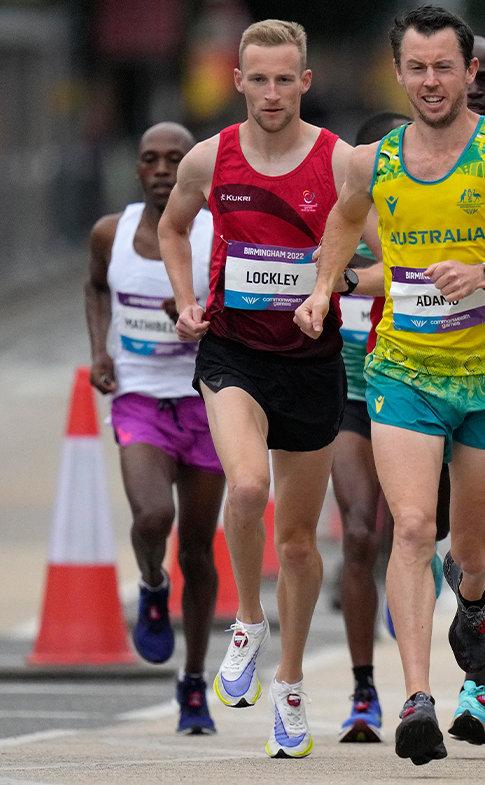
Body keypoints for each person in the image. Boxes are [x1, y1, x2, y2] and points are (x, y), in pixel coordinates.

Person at [301, 5, 485, 766]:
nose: (430, 81)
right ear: (399, 71)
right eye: (415, 68)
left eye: (443, 67)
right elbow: (343, 228)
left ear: (469, 71)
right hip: (403, 374)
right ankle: (417, 696)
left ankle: (474, 602)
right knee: (412, 527)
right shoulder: (373, 159)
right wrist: (325, 289)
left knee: (472, 548)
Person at [159, 19, 353, 758]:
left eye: (285, 79)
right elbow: (176, 231)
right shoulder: (210, 159)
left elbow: (367, 245)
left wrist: (327, 288)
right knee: (245, 488)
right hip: (232, 353)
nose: (271, 92)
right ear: (237, 81)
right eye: (258, 78)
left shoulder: (340, 162)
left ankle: (292, 685)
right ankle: (248, 619)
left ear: (305, 82)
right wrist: (186, 301)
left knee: (300, 543)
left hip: (311, 359)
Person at [86, 122, 224, 736]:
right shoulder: (110, 235)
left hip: (206, 402)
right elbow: (94, 290)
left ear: (194, 167)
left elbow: (246, 305)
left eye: (176, 158)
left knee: (198, 549)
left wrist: (200, 313)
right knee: (151, 520)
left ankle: (193, 683)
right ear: (137, 169)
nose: (164, 168)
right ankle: (148, 581)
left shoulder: (214, 233)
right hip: (140, 397)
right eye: (151, 159)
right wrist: (101, 352)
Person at [330, 111, 409, 745]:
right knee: (358, 533)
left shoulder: (422, 224)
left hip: (412, 391)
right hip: (348, 398)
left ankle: (407, 580)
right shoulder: (335, 221)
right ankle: (363, 692)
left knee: (419, 532)